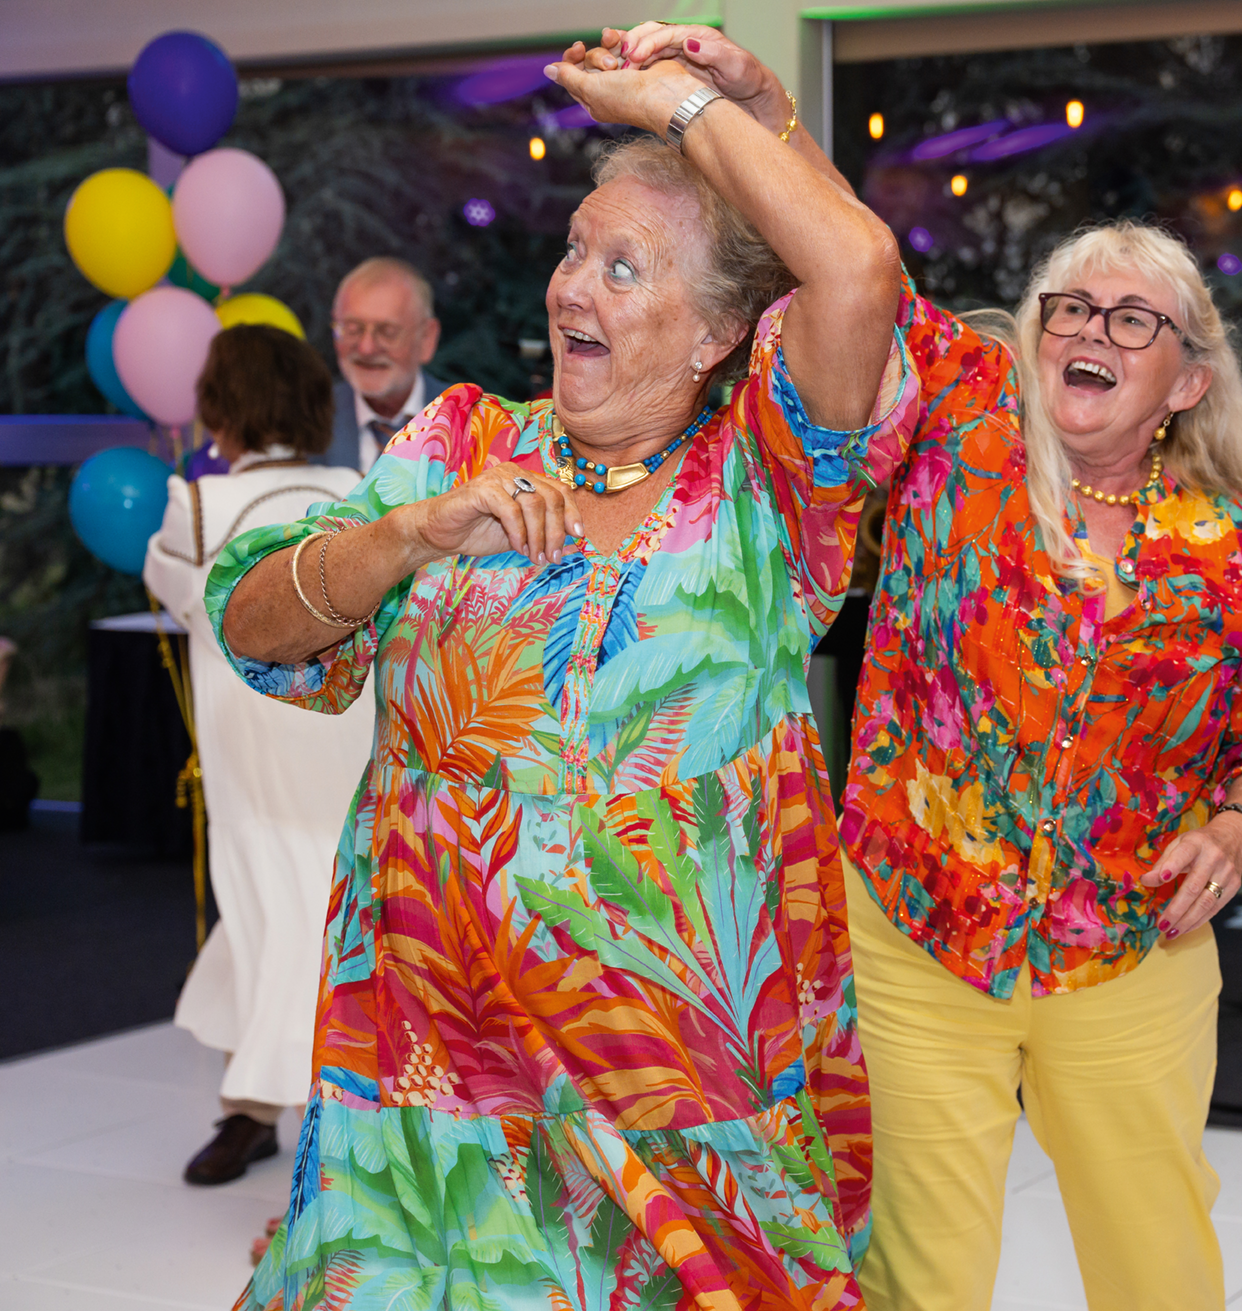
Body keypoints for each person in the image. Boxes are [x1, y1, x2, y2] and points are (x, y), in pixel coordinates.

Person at [212, 27, 914, 1308]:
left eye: (624, 266)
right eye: (575, 248)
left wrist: (708, 102)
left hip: (677, 1105)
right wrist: (407, 534)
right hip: (430, 1084)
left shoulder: (767, 487)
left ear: (716, 336)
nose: (571, 287)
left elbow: (857, 267)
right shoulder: (458, 443)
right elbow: (255, 628)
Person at [837, 221, 1242, 1309]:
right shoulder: (955, 432)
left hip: (1129, 952)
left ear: (1186, 381)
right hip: (917, 937)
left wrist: (1234, 830)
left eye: (1130, 319)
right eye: (1067, 308)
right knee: (917, 1277)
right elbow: (847, 263)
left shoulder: (1229, 551)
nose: (1088, 330)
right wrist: (745, 106)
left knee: (1154, 1268)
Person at [143, 325, 376, 1185]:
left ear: (221, 407)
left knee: (274, 917)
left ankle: (293, 1120)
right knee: (304, 924)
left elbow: (164, 584)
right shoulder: (357, 490)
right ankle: (260, 1113)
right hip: (347, 741)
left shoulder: (196, 507)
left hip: (257, 760)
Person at [322, 256, 444, 473]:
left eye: (387, 332)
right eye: (352, 329)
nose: (366, 348)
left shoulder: (475, 422)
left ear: (427, 338)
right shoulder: (307, 422)